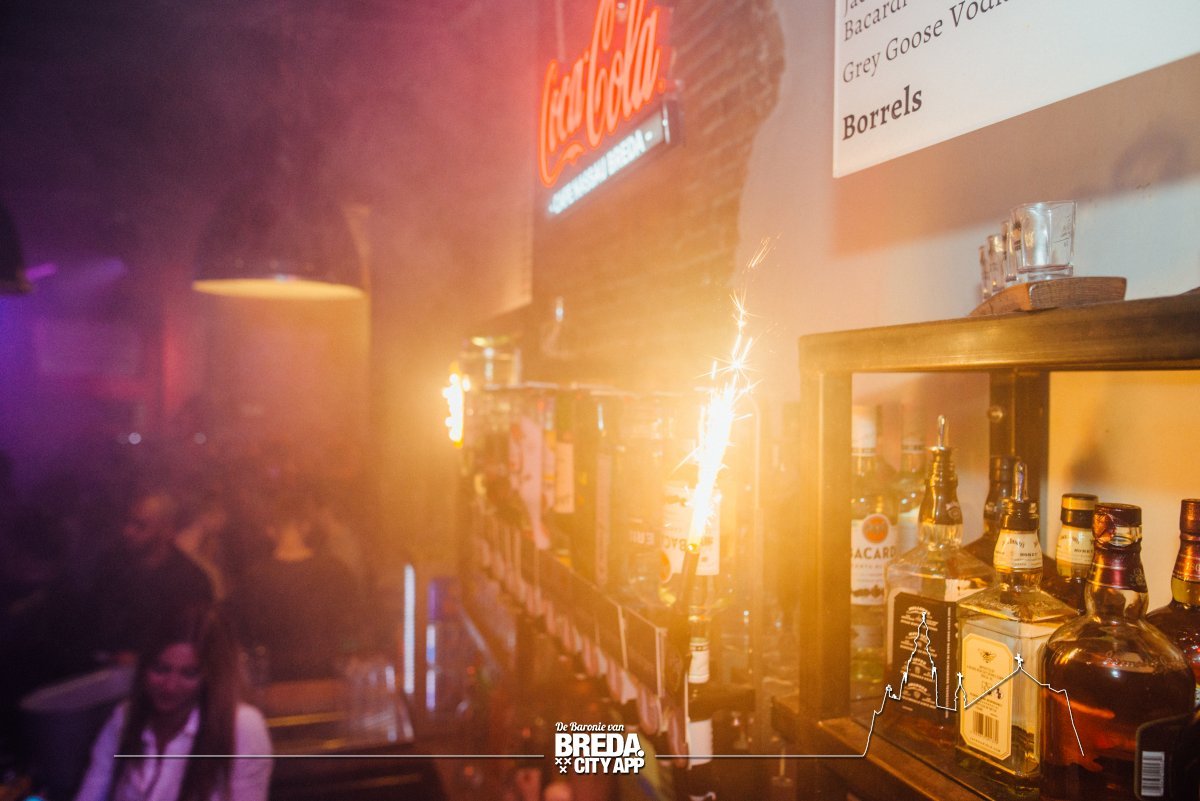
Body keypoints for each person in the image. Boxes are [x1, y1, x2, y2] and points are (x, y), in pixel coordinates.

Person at [74, 605, 272, 801]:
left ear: (210, 676)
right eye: (160, 669)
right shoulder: (125, 716)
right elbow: (91, 792)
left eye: (189, 673)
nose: (170, 686)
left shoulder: (241, 726)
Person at [227, 481, 364, 681]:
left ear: (270, 530)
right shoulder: (335, 571)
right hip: (325, 677)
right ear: (306, 526)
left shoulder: (254, 579)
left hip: (274, 681)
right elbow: (353, 628)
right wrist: (351, 657)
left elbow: (241, 636)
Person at [85, 490, 214, 663]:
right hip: (100, 669)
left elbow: (197, 644)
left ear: (167, 531)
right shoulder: (112, 564)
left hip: (161, 673)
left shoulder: (191, 580)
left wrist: (144, 659)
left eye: (140, 525)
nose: (127, 531)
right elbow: (90, 623)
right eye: (127, 521)